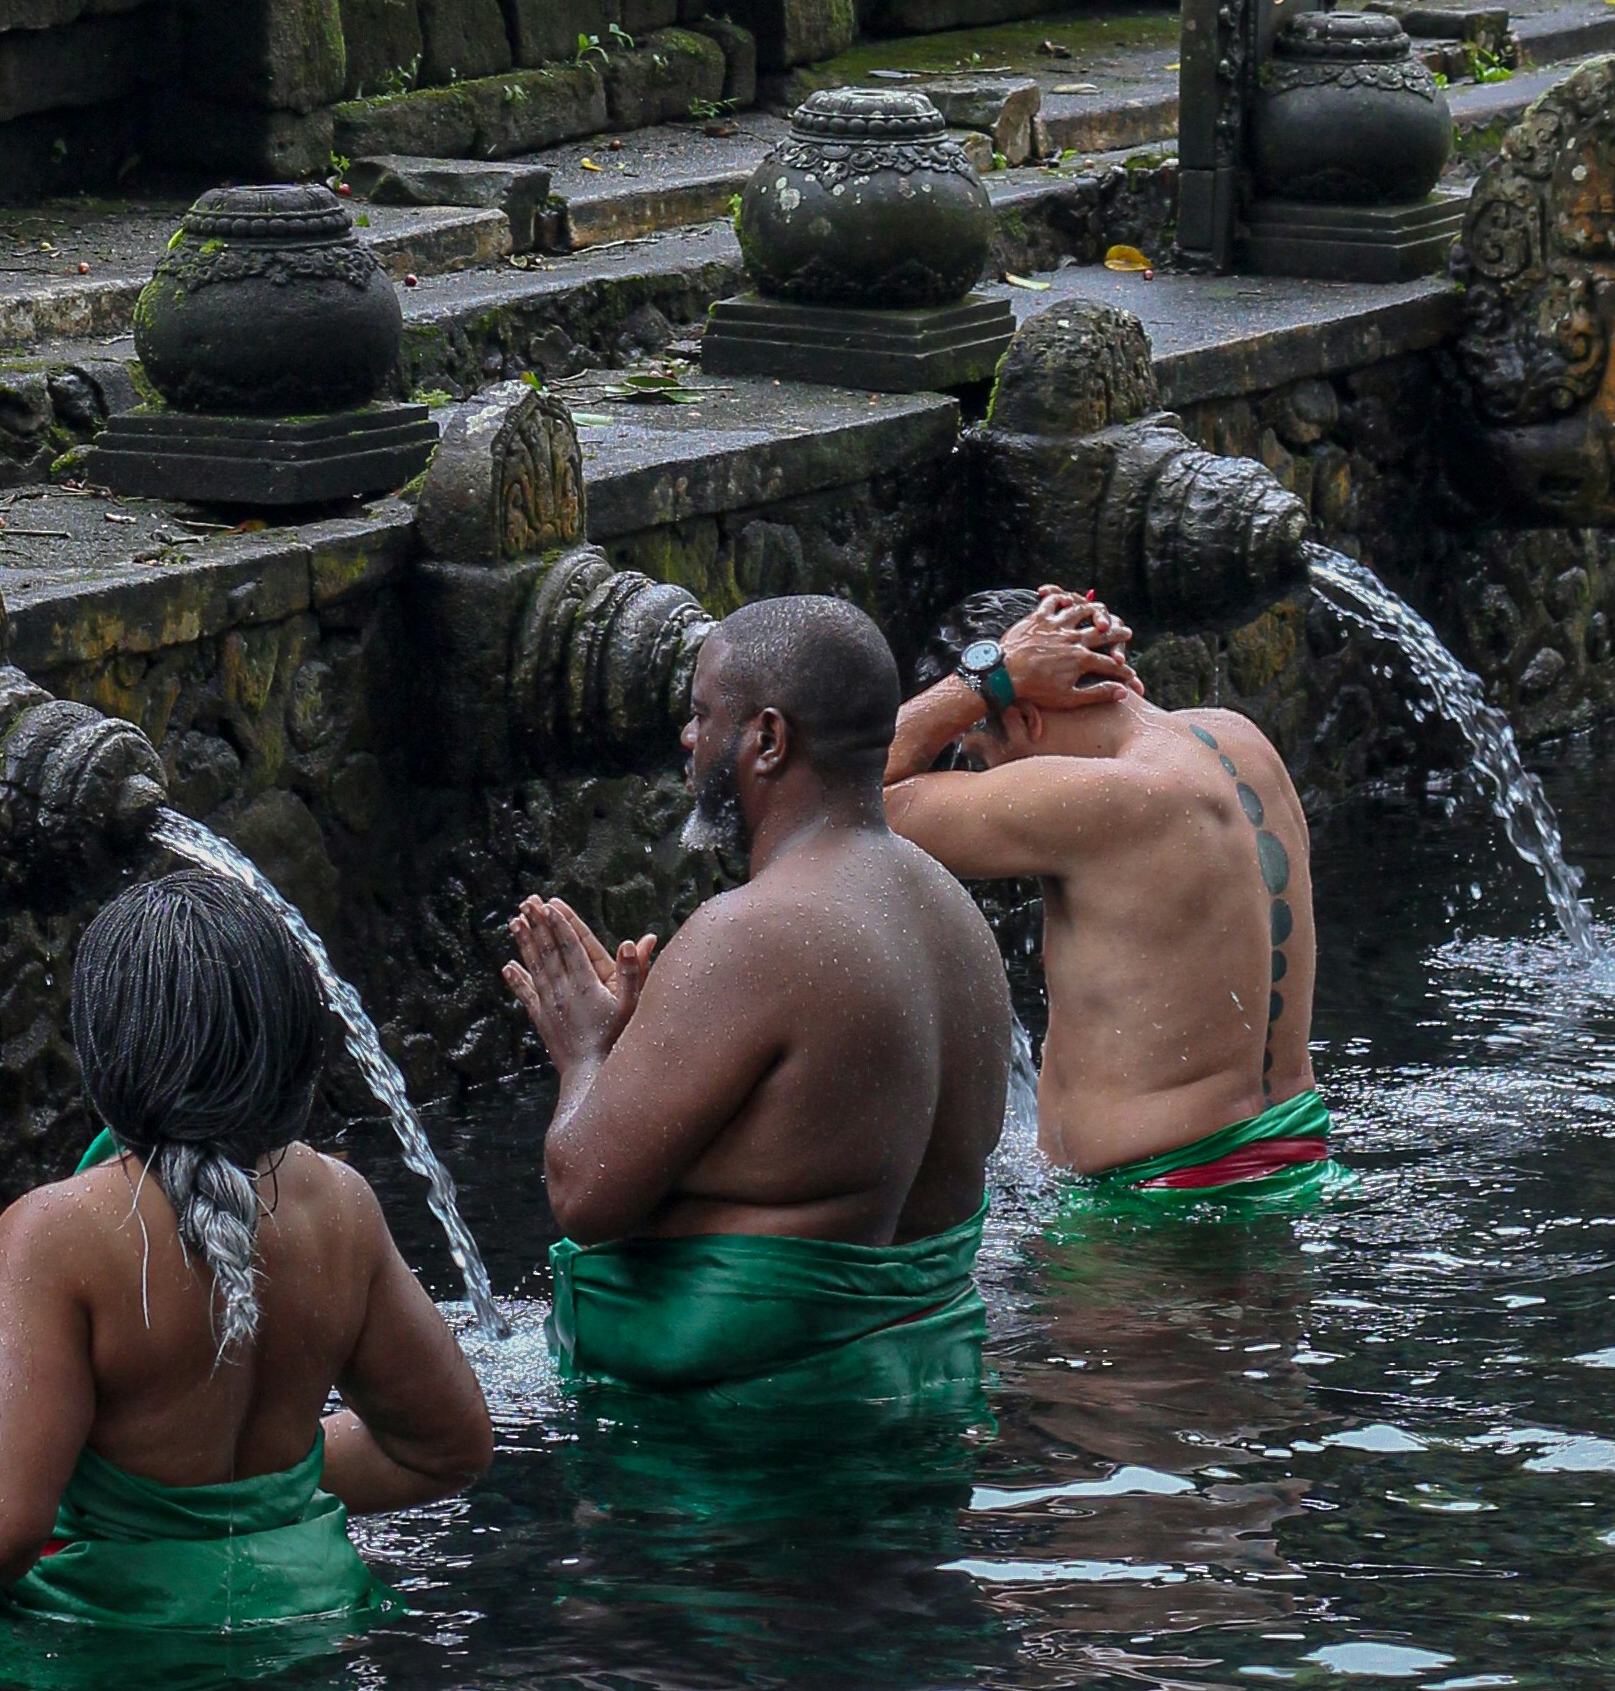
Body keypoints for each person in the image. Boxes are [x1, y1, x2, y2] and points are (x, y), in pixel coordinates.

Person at [0, 872, 491, 1686]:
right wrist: (248, 1499)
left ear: (106, 1053)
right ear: (293, 1050)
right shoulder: (342, 1207)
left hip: (115, 1672)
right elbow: (449, 1448)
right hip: (316, 1643)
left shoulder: (59, 1236)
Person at [505, 592, 1014, 1439]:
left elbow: (584, 1194)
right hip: (916, 1413)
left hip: (745, 1453)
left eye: (703, 714)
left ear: (769, 740)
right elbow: (808, 1148)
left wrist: (587, 1053)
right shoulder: (955, 917)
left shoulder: (750, 932)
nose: (688, 739)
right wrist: (643, 1051)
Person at [881, 584, 1346, 1204]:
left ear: (1024, 717)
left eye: (980, 756)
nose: (986, 779)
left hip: (1161, 1212)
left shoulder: (1102, 797)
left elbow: (849, 800)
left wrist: (982, 677)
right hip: (1294, 1162)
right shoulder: (1237, 738)